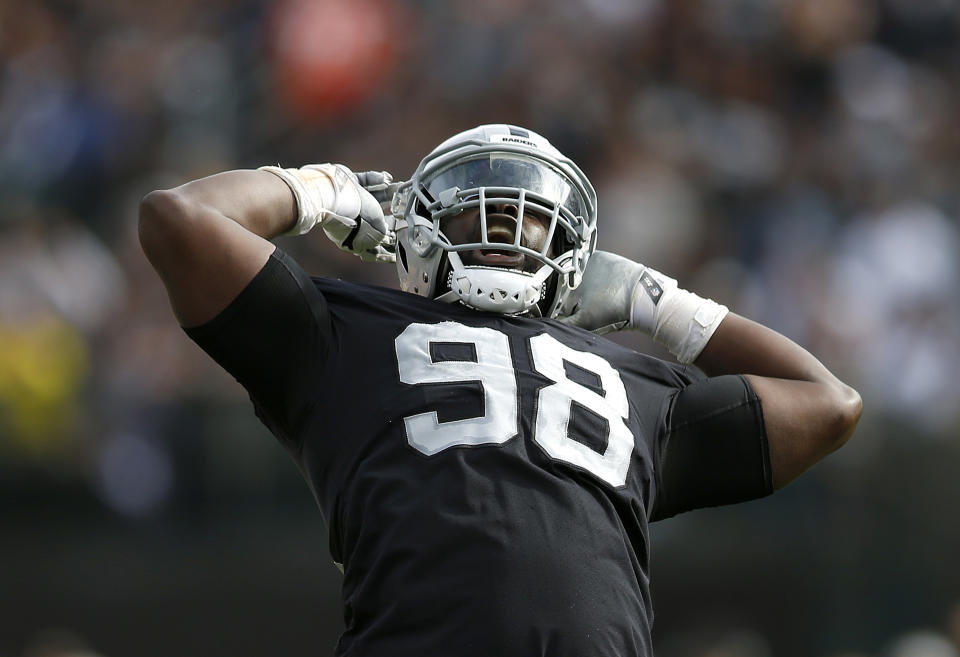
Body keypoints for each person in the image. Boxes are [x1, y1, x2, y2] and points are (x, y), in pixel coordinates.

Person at [138, 124, 862, 656]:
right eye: (473, 198)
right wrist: (320, 189)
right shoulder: (342, 331)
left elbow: (829, 404)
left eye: (536, 207)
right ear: (414, 225)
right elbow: (182, 220)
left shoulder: (636, 386)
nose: (510, 214)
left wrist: (661, 307)